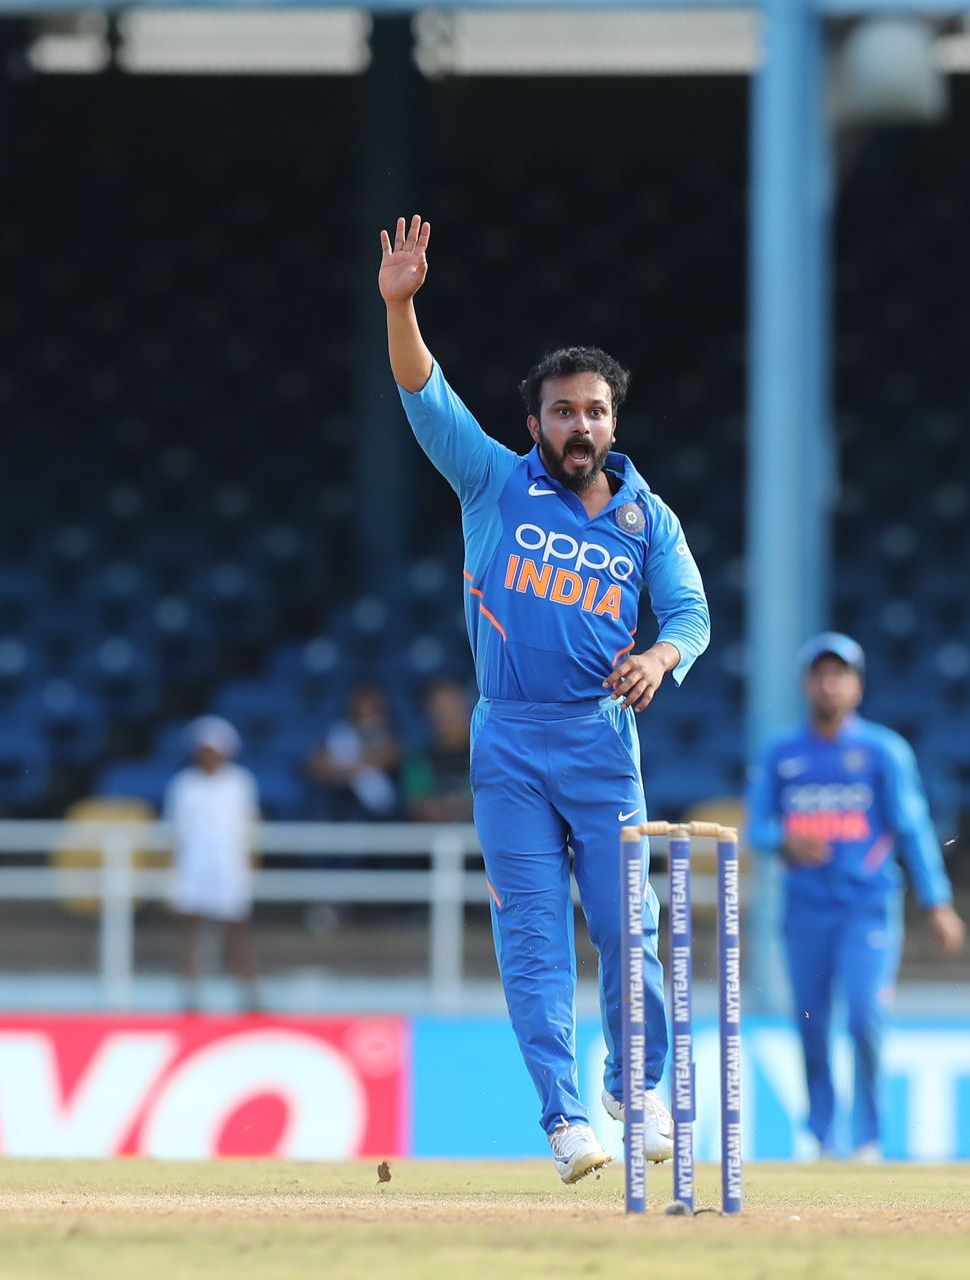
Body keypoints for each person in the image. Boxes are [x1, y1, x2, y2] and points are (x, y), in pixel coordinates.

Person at [378, 215, 711, 1184]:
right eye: (562, 411)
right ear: (536, 425)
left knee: (629, 932)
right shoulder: (491, 483)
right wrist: (402, 305)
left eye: (594, 410)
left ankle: (632, 1088)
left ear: (615, 421)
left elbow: (690, 613)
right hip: (510, 744)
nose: (579, 425)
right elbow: (422, 394)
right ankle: (566, 1117)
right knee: (533, 941)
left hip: (602, 743)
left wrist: (661, 656)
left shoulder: (650, 516)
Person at [747, 633, 966, 1160]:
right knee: (812, 1027)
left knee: (866, 1018)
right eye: (820, 674)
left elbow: (912, 828)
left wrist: (937, 902)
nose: (829, 684)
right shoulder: (781, 754)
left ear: (857, 687)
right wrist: (784, 840)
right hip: (804, 912)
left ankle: (868, 1140)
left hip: (866, 908)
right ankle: (823, 1139)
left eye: (839, 674)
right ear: (806, 685)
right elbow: (756, 828)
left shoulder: (882, 752)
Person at [164, 716, 261, 1014]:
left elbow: (249, 827)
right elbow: (176, 832)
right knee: (189, 931)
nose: (208, 756)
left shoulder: (240, 782)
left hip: (229, 866)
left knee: (235, 932)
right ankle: (188, 996)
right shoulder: (184, 784)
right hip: (193, 866)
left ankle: (249, 996)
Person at [307, 682, 402, 823]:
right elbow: (315, 766)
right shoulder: (339, 734)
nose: (367, 712)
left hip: (382, 815)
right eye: (361, 705)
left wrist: (340, 766)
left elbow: (389, 756)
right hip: (339, 807)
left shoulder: (392, 734)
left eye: (372, 707)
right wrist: (357, 769)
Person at [402, 677, 475, 825]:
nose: (444, 716)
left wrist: (461, 806)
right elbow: (414, 802)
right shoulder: (418, 758)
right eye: (437, 710)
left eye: (450, 708)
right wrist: (431, 808)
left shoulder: (483, 755)